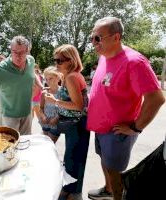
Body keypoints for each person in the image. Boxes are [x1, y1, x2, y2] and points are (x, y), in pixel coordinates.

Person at [87, 16, 165, 200]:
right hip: (101, 128)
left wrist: (135, 127)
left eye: (98, 38)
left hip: (117, 133)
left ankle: (117, 196)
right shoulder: (104, 57)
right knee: (105, 162)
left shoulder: (134, 62)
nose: (94, 43)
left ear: (116, 37)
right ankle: (108, 190)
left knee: (115, 170)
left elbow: (156, 98)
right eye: (92, 38)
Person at [45, 44, 90, 200]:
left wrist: (55, 101)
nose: (56, 63)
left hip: (76, 123)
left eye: (60, 60)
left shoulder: (71, 77)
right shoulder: (71, 75)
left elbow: (78, 106)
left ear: (71, 60)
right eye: (55, 60)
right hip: (74, 123)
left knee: (72, 159)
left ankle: (71, 192)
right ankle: (72, 190)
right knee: (74, 158)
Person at [0, 35, 39, 135]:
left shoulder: (31, 61)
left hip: (27, 111)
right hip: (10, 115)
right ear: (11, 50)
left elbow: (32, 73)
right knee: (10, 143)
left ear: (27, 51)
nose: (18, 56)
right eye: (15, 52)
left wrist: (39, 84)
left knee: (26, 141)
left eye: (22, 52)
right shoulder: (1, 68)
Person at [38, 66, 61, 143]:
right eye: (46, 79)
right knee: (45, 144)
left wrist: (56, 118)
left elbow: (64, 109)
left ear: (58, 77)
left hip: (56, 124)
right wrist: (43, 117)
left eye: (50, 78)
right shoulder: (44, 93)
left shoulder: (62, 92)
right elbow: (41, 108)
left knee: (50, 144)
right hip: (45, 123)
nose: (48, 81)